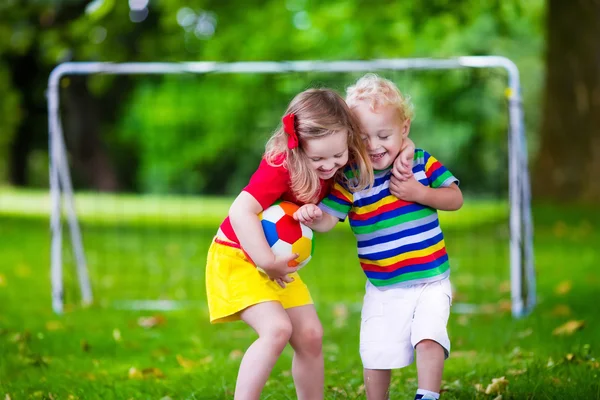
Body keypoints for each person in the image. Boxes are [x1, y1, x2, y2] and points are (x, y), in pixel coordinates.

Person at [205, 87, 415, 400]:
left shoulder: (342, 158)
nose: (330, 165)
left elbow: (388, 139)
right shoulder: (281, 166)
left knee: (311, 335)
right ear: (298, 146)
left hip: (276, 262)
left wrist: (408, 148)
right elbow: (240, 210)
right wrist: (265, 260)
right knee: (277, 330)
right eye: (317, 158)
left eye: (338, 155)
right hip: (240, 256)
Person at [294, 74, 464, 400]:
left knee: (429, 336)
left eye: (383, 135)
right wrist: (313, 216)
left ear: (405, 129)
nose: (373, 146)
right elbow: (330, 219)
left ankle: (427, 395)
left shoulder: (419, 163)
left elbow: (455, 198)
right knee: (375, 350)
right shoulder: (353, 178)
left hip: (430, 278)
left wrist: (419, 193)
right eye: (362, 137)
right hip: (383, 284)